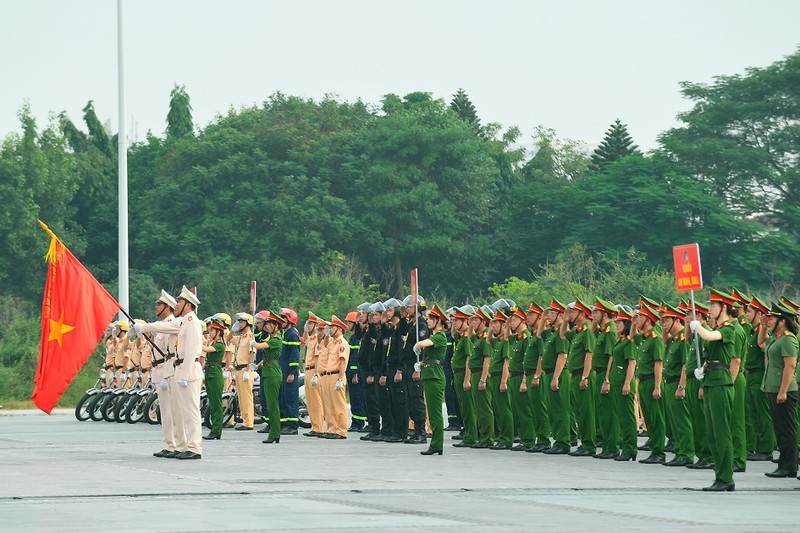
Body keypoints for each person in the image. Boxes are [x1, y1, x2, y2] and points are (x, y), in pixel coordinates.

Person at [138, 285, 204, 460]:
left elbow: (190, 351)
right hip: (180, 369)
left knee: (190, 412)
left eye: (180, 301)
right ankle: (182, 446)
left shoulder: (192, 322)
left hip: (188, 371)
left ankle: (194, 447)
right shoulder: (184, 322)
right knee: (180, 411)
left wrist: (183, 375)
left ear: (188, 305)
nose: (177, 304)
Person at [690, 288, 737, 491]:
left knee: (721, 432)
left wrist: (698, 326)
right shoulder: (716, 327)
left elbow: (709, 337)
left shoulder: (728, 329)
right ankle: (719, 476)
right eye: (709, 305)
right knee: (712, 434)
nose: (709, 309)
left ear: (723, 308)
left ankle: (727, 477)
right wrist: (702, 369)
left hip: (721, 383)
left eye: (713, 306)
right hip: (711, 380)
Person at [137, 290, 179, 458]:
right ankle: (169, 444)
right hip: (158, 370)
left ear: (168, 307)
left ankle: (174, 444)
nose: (156, 307)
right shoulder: (163, 325)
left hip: (166, 370)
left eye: (159, 305)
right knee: (165, 410)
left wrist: (145, 327)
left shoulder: (171, 323)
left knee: (170, 411)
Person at [759, 302, 799, 478]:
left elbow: (790, 367)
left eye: (772, 318)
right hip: (773, 388)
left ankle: (789, 466)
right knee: (779, 428)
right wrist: (762, 326)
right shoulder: (776, 338)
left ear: (782, 321)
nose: (769, 321)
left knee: (787, 429)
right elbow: (761, 342)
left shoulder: (788, 340)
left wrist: (783, 391)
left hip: (785, 391)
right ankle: (784, 463)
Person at [563, 299, 597, 457]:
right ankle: (584, 442)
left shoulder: (587, 331)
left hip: (583, 376)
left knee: (586, 411)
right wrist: (564, 320)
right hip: (575, 375)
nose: (571, 315)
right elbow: (563, 335)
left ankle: (589, 444)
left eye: (573, 312)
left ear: (582, 314)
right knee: (579, 411)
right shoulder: (577, 331)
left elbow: (589, 355)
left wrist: (585, 376)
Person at [661, 304, 694, 467]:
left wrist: (682, 386)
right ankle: (680, 451)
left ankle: (687, 453)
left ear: (676, 320)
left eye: (666, 321)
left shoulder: (682, 339)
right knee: (674, 422)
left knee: (682, 421)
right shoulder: (673, 339)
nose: (663, 324)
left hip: (677, 383)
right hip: (669, 383)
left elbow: (685, 365)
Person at [743, 296, 775, 461]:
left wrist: (766, 379)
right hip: (749, 375)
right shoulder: (751, 331)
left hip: (759, 374)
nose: (746, 313)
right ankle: (756, 447)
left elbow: (766, 357)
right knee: (752, 413)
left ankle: (766, 449)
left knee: (762, 414)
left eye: (750, 311)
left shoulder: (762, 333)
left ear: (759, 314)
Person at [634, 300, 666, 464]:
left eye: (640, 317)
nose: (636, 319)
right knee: (648, 417)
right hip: (644, 381)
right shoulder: (644, 338)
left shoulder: (655, 338)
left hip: (652, 381)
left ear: (648, 320)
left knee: (656, 418)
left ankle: (659, 451)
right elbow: (632, 337)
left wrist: (657, 386)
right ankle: (654, 448)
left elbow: (658, 363)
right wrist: (634, 324)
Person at [414, 304, 449, 456]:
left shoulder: (440, 336)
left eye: (430, 319)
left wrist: (417, 345)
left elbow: (423, 344)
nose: (428, 322)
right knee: (432, 413)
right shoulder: (434, 336)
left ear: (438, 321)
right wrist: (421, 364)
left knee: (435, 413)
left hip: (435, 376)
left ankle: (437, 444)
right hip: (429, 374)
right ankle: (436, 443)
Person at [543, 299, 571, 455]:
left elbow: (562, 355)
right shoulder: (553, 331)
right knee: (554, 410)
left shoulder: (561, 332)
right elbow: (539, 333)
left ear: (560, 315)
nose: (548, 315)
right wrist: (544, 318)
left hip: (558, 373)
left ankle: (564, 441)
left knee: (561, 409)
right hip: (550, 373)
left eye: (552, 313)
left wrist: (555, 377)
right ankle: (559, 440)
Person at [592, 298, 619, 459]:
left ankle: (613, 446)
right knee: (602, 413)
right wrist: (596, 320)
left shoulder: (610, 331)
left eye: (596, 312)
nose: (592, 315)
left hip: (605, 373)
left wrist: (607, 379)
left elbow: (611, 357)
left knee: (610, 413)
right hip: (599, 373)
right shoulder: (603, 330)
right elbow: (593, 330)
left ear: (604, 314)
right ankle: (607, 446)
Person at [611, 307, 638, 461]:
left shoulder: (628, 342)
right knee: (621, 416)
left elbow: (632, 363)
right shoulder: (620, 341)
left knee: (628, 418)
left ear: (626, 324)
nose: (616, 325)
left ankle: (630, 448)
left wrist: (627, 383)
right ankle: (626, 447)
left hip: (624, 382)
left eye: (619, 322)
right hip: (617, 381)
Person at [254, 310, 285, 444]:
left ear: (276, 326)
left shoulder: (276, 340)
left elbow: (259, 346)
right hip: (268, 372)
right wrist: (257, 366)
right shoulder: (272, 339)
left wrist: (251, 340)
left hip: (273, 374)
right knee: (269, 403)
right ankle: (274, 433)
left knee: (273, 405)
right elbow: (267, 357)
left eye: (270, 324)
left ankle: (274, 433)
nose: (267, 326)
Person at [524, 302, 550, 452]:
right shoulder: (534, 335)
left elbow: (542, 356)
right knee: (534, 409)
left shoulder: (540, 336)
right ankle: (539, 438)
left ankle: (544, 440)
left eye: (531, 315)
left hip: (536, 376)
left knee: (541, 409)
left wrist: (537, 375)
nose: (528, 317)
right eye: (527, 314)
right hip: (529, 375)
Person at [320, 315, 350, 439]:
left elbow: (342, 362)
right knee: (329, 405)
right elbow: (326, 345)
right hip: (328, 375)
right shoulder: (333, 342)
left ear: (340, 329)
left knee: (338, 405)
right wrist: (326, 334)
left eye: (332, 328)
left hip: (337, 375)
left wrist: (340, 379)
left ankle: (341, 430)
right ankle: (332, 428)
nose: (330, 330)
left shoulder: (343, 343)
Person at [228, 313, 255, 431]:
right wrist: (232, 331)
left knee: (246, 397)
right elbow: (228, 339)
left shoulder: (250, 337)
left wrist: (248, 369)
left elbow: (252, 354)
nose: (239, 324)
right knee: (241, 398)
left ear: (248, 323)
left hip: (245, 369)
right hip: (238, 369)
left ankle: (249, 423)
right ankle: (245, 421)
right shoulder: (240, 338)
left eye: (242, 322)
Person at [201, 315, 227, 440]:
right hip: (209, 374)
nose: (209, 332)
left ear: (218, 332)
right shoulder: (213, 342)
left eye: (212, 330)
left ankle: (216, 430)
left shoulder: (220, 345)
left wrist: (194, 341)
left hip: (215, 375)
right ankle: (215, 430)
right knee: (212, 403)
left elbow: (206, 349)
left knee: (216, 404)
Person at [279, 308, 301, 435]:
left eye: (284, 318)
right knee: (284, 398)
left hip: (289, 372)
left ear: (290, 320)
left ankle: (293, 426)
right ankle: (286, 424)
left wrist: (292, 372)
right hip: (284, 370)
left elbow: (294, 355)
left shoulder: (292, 334)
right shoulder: (285, 333)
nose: (282, 321)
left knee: (290, 398)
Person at [302, 312, 325, 437]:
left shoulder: (318, 339)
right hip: (307, 370)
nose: (308, 325)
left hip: (314, 370)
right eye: (308, 323)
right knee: (310, 401)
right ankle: (314, 425)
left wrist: (316, 374)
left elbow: (317, 358)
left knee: (316, 401)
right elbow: (305, 340)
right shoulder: (311, 338)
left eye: (310, 323)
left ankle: (319, 427)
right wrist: (305, 330)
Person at [345, 311, 368, 432]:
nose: (347, 324)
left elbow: (356, 357)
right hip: (350, 371)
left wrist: (354, 373)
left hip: (356, 373)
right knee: (354, 398)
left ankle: (359, 422)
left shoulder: (357, 338)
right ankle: (356, 421)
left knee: (358, 398)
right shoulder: (353, 338)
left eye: (349, 322)